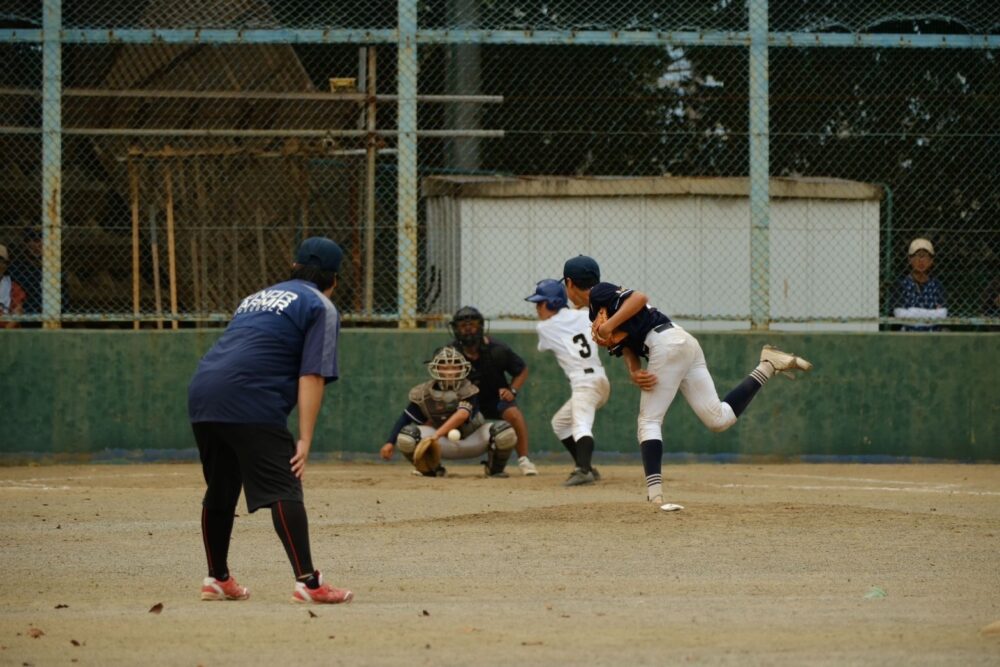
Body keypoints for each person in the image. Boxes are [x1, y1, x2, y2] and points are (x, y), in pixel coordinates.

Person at [562, 255, 812, 511]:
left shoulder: (599, 292)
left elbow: (639, 299)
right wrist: (634, 370)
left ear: (570, 283)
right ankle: (767, 365)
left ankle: (655, 496)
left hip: (665, 343)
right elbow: (626, 346)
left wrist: (609, 326)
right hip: (682, 343)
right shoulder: (597, 311)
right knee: (718, 419)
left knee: (649, 421)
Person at [187, 236, 353, 604]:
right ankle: (309, 584)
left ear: (294, 268)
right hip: (250, 397)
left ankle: (217, 578)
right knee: (284, 486)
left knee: (222, 487)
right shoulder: (320, 305)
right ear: (334, 279)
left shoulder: (255, 298)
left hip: (204, 392)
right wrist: (305, 440)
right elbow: (312, 375)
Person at [379, 346, 519, 477]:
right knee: (407, 436)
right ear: (436, 368)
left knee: (504, 431)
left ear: (462, 368)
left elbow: (462, 415)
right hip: (441, 443)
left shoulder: (469, 389)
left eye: (454, 367)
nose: (450, 372)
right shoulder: (423, 393)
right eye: (445, 367)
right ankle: (431, 469)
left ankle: (494, 469)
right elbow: (405, 418)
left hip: (472, 439)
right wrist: (390, 442)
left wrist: (436, 435)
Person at [525, 279, 610, 487]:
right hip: (599, 379)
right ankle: (586, 466)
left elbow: (553, 336)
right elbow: (579, 319)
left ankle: (582, 471)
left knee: (581, 425)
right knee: (561, 424)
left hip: (585, 383)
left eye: (541, 303)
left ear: (553, 303)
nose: (537, 308)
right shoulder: (583, 316)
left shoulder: (544, 328)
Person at [448, 306, 538, 476]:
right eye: (462, 325)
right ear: (455, 328)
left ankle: (524, 460)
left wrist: (512, 389)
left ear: (481, 326)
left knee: (514, 414)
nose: (468, 329)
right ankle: (428, 461)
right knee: (435, 410)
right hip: (464, 401)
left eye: (472, 324)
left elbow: (522, 370)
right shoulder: (451, 352)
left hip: (495, 398)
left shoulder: (497, 349)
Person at [891, 238, 947, 332]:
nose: (921, 260)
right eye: (917, 255)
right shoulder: (901, 285)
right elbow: (899, 314)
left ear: (931, 261)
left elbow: (943, 314)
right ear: (909, 259)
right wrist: (932, 314)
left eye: (925, 256)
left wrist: (911, 312)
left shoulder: (937, 285)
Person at [0, 243, 27, 329]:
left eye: (4, 262)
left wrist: (3, 335)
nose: (1, 265)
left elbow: (18, 312)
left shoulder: (12, 286)